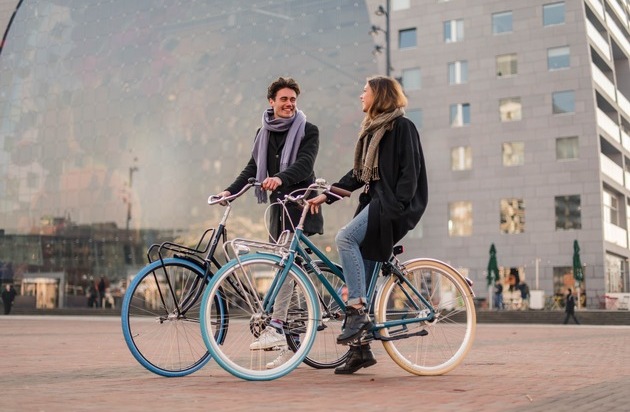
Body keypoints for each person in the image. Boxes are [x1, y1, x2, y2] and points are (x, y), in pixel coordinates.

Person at [309, 75, 428, 374]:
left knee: (345, 238)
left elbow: (410, 173)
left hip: (389, 207)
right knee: (363, 272)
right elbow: (359, 174)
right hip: (377, 204)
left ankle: (358, 310)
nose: (361, 95)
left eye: (365, 91)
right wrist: (326, 196)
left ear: (380, 95)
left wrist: (394, 208)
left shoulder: (402, 127)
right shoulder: (372, 131)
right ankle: (360, 352)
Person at [215, 77, 323, 367]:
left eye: (293, 100)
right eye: (284, 99)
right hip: (278, 211)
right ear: (271, 102)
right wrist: (230, 190)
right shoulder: (262, 133)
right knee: (294, 272)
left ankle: (276, 327)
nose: (289, 104)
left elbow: (306, 164)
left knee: (286, 267)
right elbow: (252, 167)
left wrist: (280, 178)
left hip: (300, 207)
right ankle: (294, 343)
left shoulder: (307, 130)